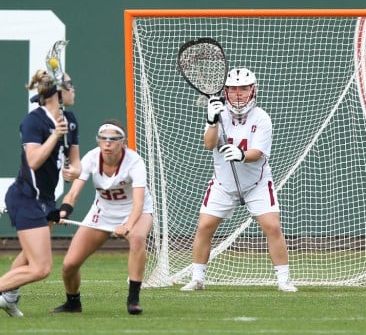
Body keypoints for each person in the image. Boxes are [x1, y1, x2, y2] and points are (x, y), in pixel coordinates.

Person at [0, 69, 81, 320]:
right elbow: (34, 160)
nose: (74, 89)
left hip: (46, 199)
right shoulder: (33, 121)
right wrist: (55, 135)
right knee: (41, 268)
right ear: (56, 93)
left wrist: (73, 171)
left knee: (29, 256)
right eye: (70, 85)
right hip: (26, 197)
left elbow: (75, 163)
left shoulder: (70, 121)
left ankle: (8, 298)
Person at [181, 67, 297, 292]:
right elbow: (208, 144)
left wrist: (242, 155)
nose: (238, 93)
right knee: (204, 225)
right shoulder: (217, 112)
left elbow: (258, 155)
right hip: (224, 184)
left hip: (257, 184)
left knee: (272, 226)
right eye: (233, 89)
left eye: (243, 88)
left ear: (253, 90)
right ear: (226, 91)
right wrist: (212, 121)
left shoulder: (261, 118)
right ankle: (197, 278)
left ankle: (284, 280)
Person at [50, 119, 154, 315]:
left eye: (113, 139)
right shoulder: (90, 158)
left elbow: (139, 203)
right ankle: (73, 303)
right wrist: (62, 212)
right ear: (98, 141)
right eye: (103, 139)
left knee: (138, 239)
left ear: (122, 142)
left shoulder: (135, 162)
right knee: (69, 264)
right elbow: (72, 194)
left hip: (135, 212)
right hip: (102, 213)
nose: (108, 144)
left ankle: (133, 299)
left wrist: (127, 226)